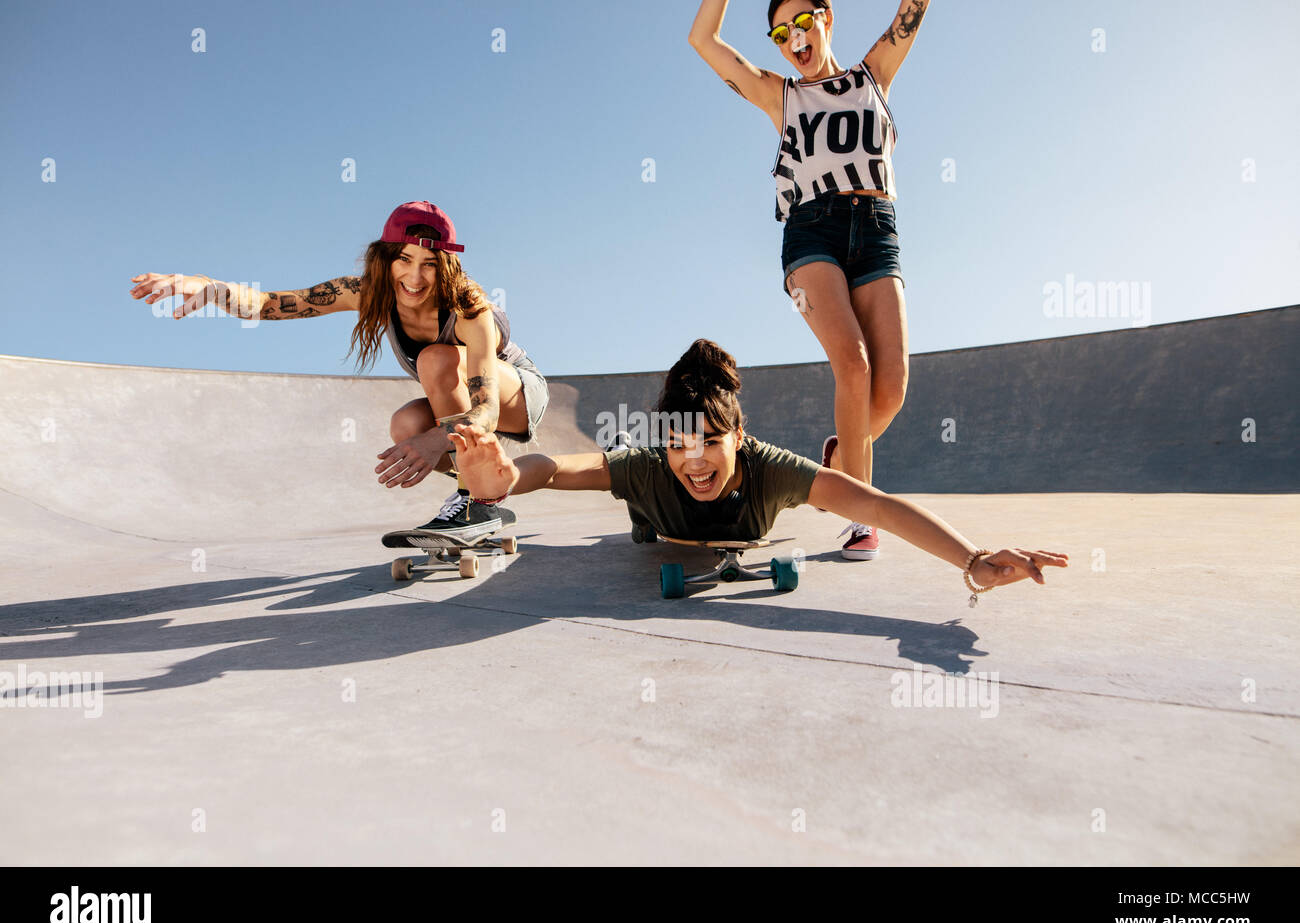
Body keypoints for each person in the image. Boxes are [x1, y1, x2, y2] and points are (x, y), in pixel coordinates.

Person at [449, 340, 1067, 602]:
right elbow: (558, 466)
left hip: (754, 518)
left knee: (836, 497)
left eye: (711, 442)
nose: (693, 459)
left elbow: (878, 506)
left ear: (740, 438)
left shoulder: (766, 467)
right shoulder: (648, 467)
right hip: (657, 529)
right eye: (679, 444)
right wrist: (506, 481)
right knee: (641, 518)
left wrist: (974, 560)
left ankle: (825, 476)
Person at [128, 201, 548, 537]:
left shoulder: (469, 309)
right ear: (386, 258)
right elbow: (274, 304)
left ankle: (473, 504)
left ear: (446, 267)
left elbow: (485, 411)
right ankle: (495, 489)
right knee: (405, 425)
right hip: (462, 412)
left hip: (516, 395)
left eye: (430, 264)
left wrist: (437, 440)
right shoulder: (367, 291)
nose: (415, 278)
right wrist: (212, 288)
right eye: (405, 259)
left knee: (434, 359)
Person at [688, 0, 930, 561]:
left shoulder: (874, 75)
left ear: (826, 17)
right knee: (854, 363)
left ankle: (841, 460)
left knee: (890, 389)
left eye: (802, 22)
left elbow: (913, 11)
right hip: (810, 236)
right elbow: (704, 40)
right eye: (779, 33)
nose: (792, 39)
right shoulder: (782, 96)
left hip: (876, 232)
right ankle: (861, 513)